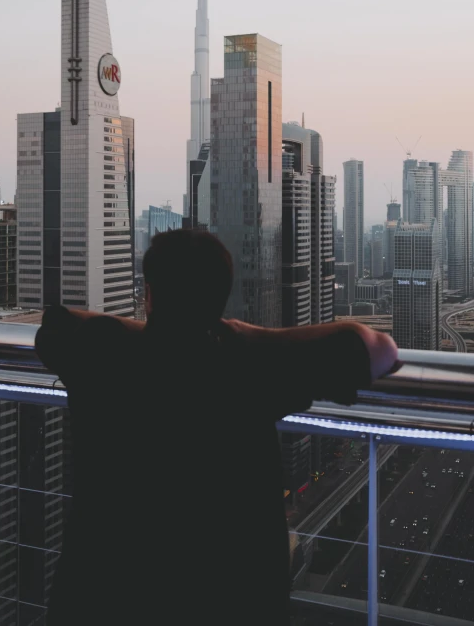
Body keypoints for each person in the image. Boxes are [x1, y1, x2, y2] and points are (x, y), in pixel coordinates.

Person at [36, 229, 397, 625]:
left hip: (100, 596)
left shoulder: (99, 350)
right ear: (221, 300)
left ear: (148, 292)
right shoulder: (247, 367)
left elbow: (55, 325)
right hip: (224, 601)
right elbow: (378, 350)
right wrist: (246, 334)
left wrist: (155, 329)